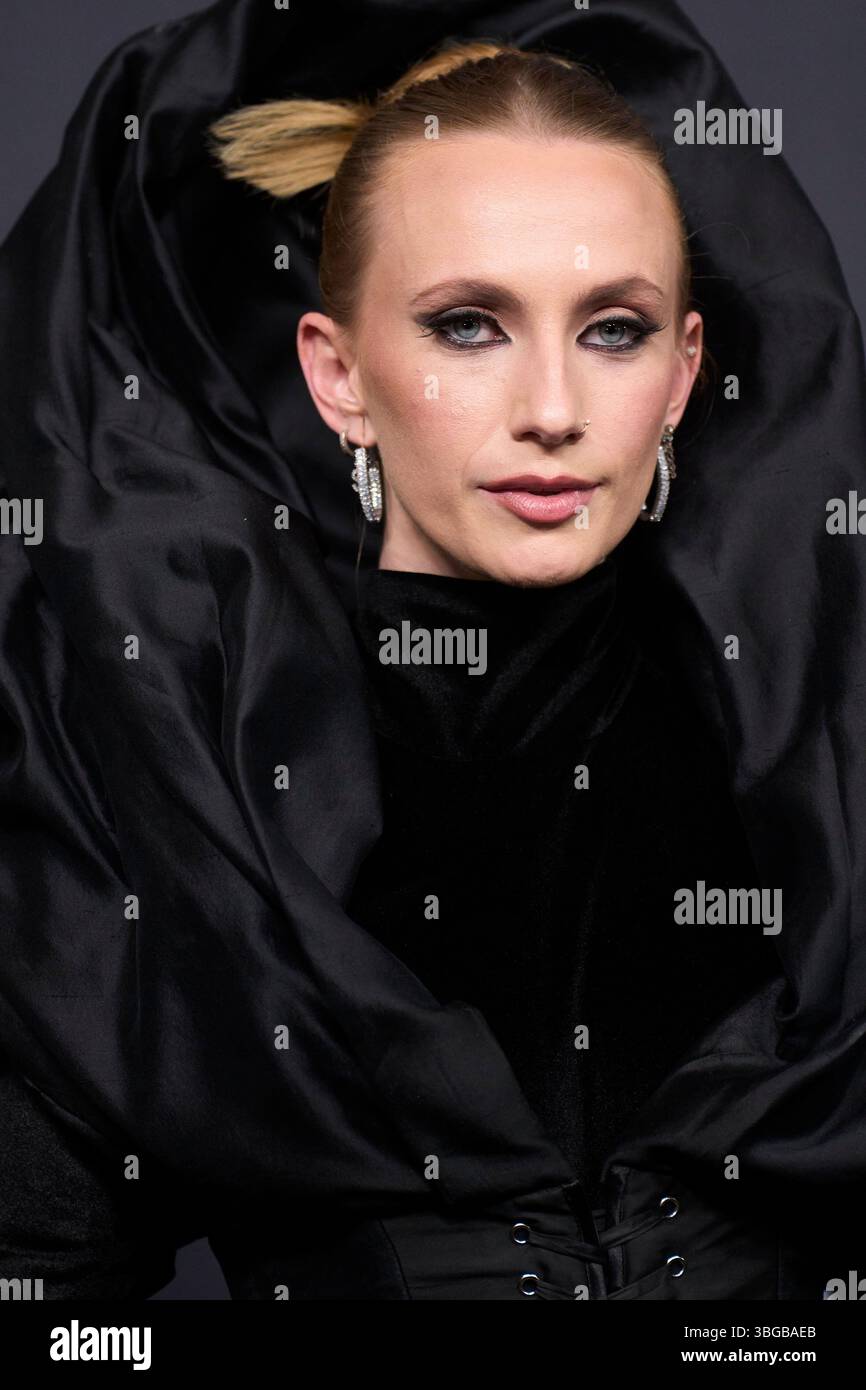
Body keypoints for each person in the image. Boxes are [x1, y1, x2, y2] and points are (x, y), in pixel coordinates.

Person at [1, 1, 864, 1303]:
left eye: (613, 329)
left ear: (686, 372)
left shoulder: (823, 779)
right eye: (469, 324)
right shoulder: (189, 793)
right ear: (337, 374)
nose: (552, 410)